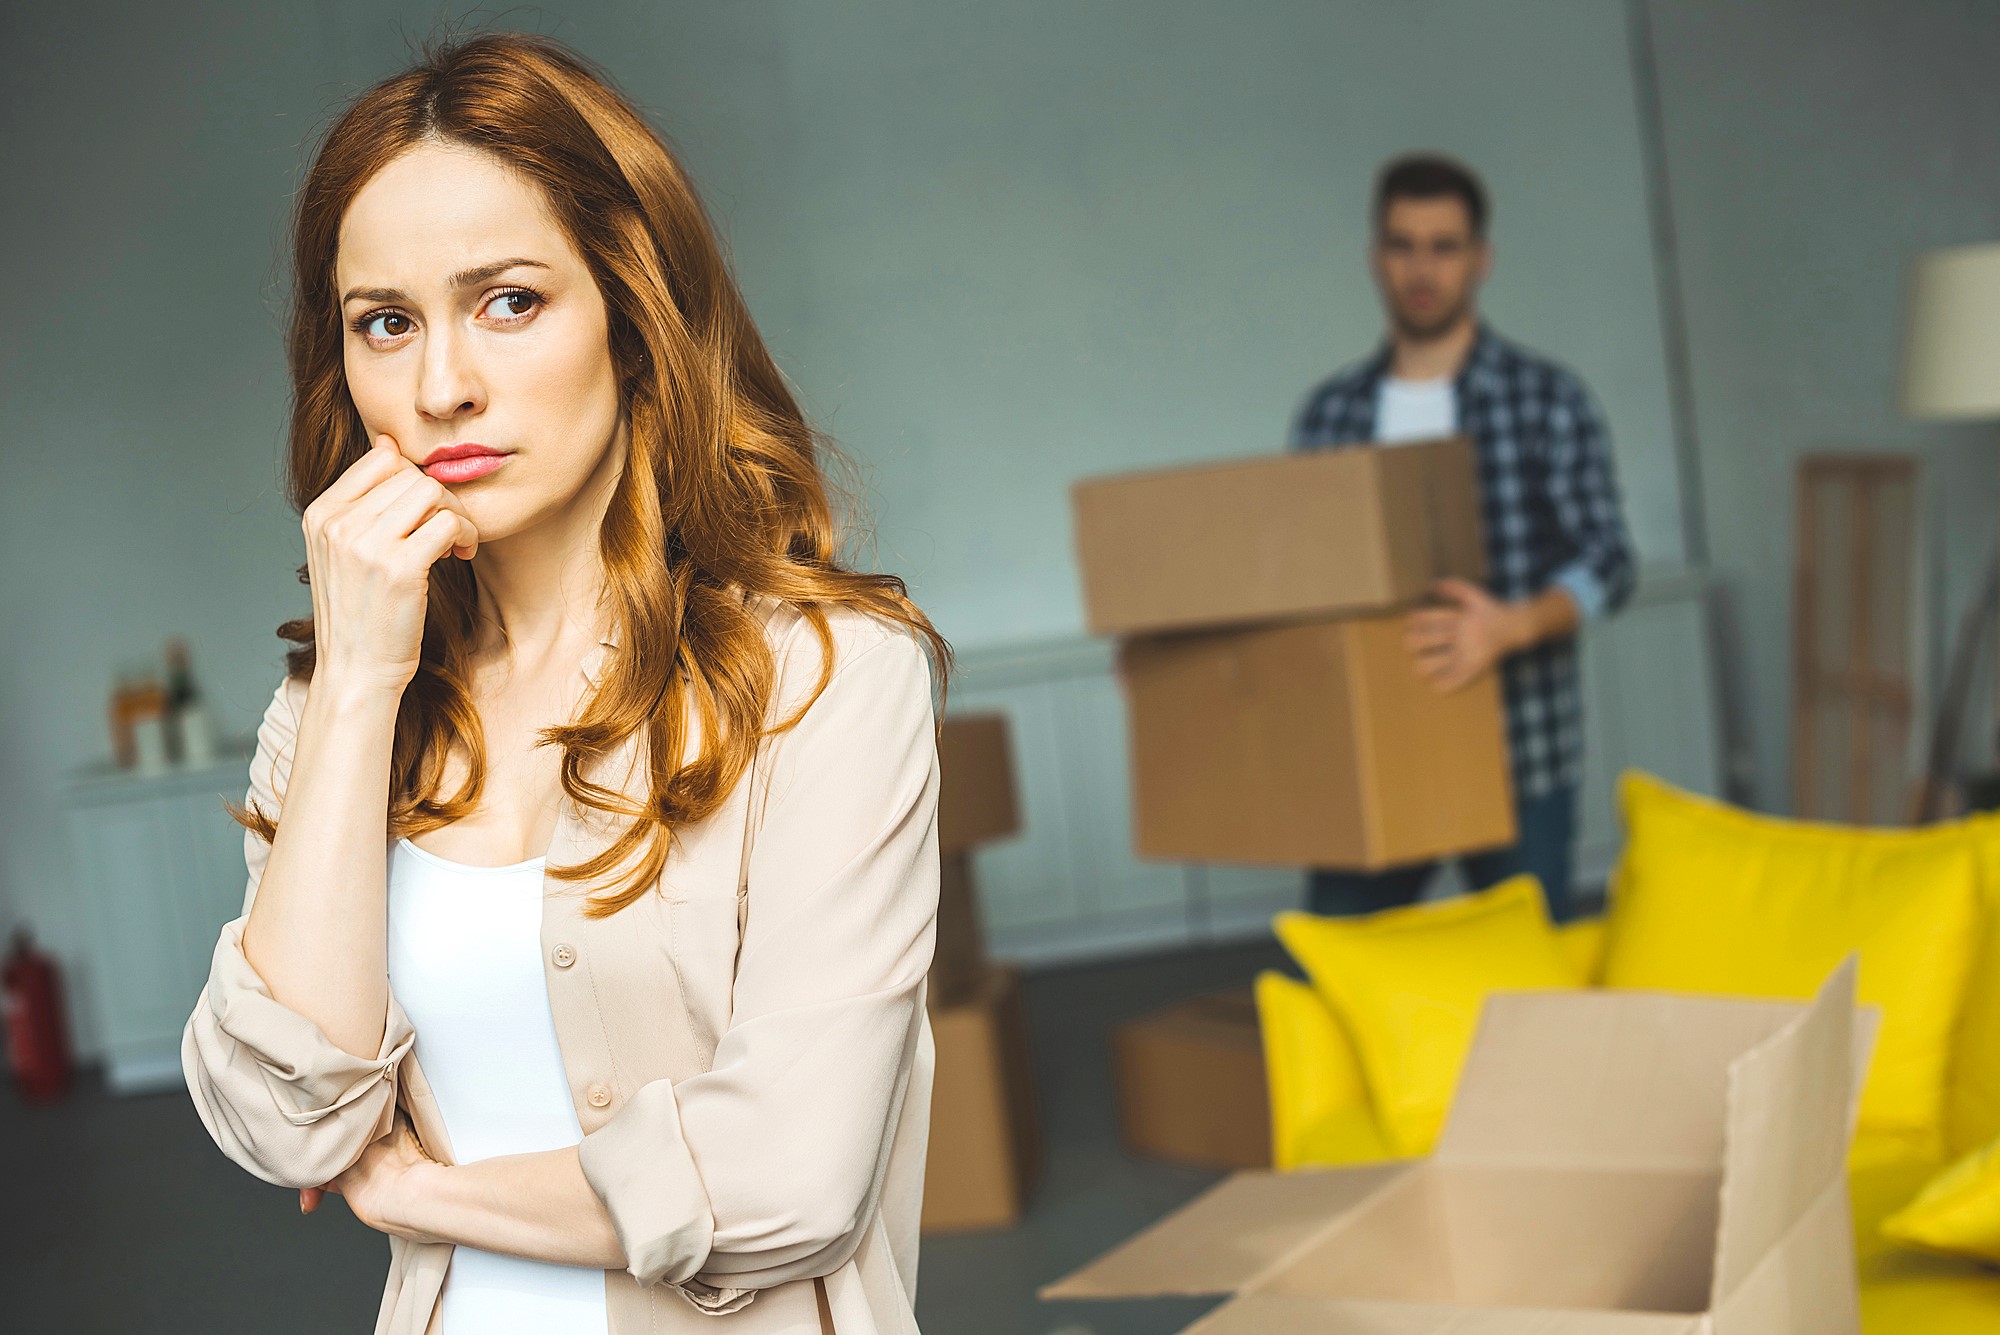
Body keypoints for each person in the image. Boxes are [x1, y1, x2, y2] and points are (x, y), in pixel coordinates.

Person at [180, 31, 950, 1335]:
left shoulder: (828, 679)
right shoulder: (332, 709)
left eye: (510, 301)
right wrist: (363, 671)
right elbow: (279, 1113)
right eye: (386, 323)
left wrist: (421, 1188)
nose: (441, 386)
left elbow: (791, 1177)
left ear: (633, 315)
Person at [1288, 152, 1634, 924]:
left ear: (1481, 259)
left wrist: (1513, 625)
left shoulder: (1545, 399)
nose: (1423, 267)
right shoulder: (1330, 415)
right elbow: (1299, 587)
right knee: (1340, 966)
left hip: (1519, 752)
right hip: (1375, 756)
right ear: (1377, 255)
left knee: (1529, 987)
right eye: (1403, 244)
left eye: (1445, 246)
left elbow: (1610, 561)